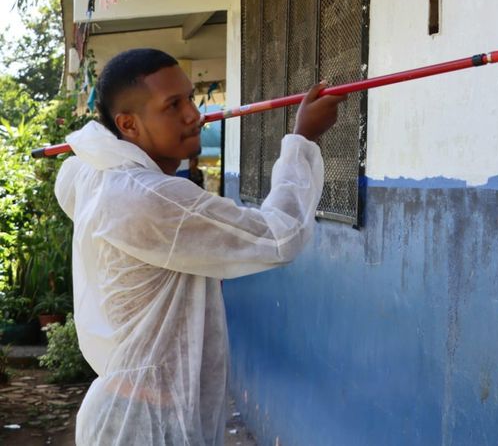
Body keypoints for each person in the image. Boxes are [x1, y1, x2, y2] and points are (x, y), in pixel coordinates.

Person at [54, 48, 344, 445]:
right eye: (172, 105)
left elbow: (68, 176)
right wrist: (302, 139)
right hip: (144, 427)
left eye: (189, 98)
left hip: (132, 414)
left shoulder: (97, 177)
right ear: (129, 124)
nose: (194, 115)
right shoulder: (150, 197)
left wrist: (102, 142)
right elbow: (281, 236)